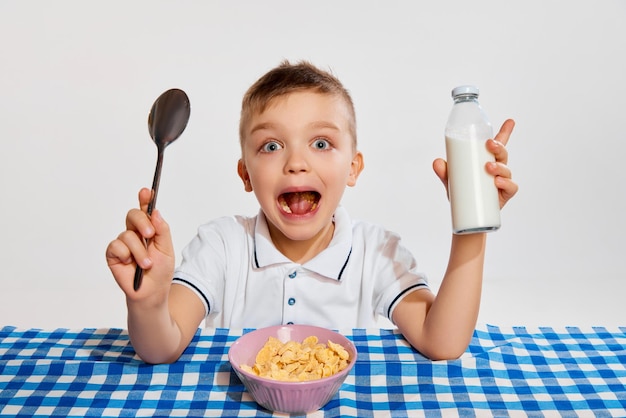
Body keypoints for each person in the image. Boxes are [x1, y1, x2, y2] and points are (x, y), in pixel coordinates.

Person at [106, 61, 518, 364]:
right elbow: (161, 348)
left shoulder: (375, 251)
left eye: (321, 143)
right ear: (245, 173)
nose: (296, 163)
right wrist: (148, 301)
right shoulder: (222, 246)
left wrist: (472, 225)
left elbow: (441, 341)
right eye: (271, 146)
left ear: (353, 167)